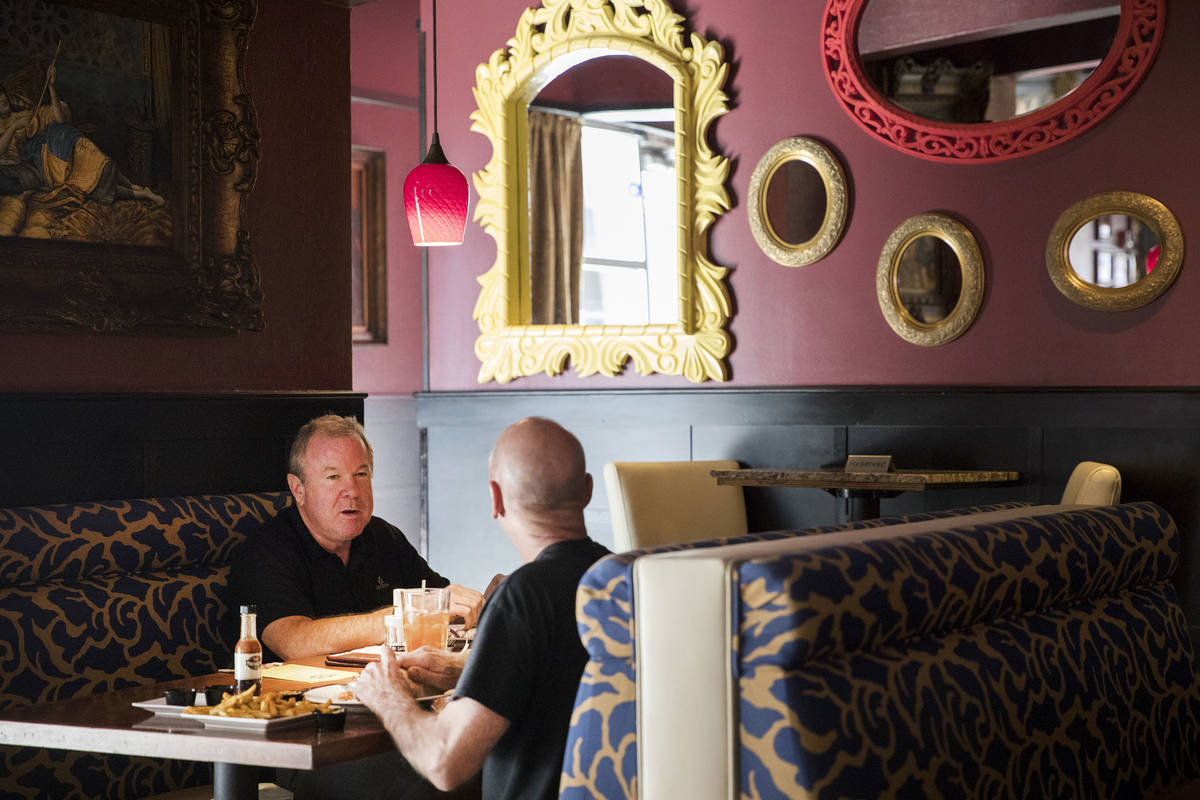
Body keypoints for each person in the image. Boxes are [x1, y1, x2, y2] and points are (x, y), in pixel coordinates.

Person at [355, 416, 611, 800]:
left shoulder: (523, 594)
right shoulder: (614, 575)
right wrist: (465, 671)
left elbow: (445, 762)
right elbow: (560, 680)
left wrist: (388, 696)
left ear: (496, 498)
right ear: (588, 490)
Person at [231, 414, 483, 663]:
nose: (352, 491)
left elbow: (439, 606)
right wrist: (403, 617)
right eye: (333, 477)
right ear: (298, 489)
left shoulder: (384, 537)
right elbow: (295, 642)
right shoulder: (265, 550)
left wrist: (483, 606)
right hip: (294, 698)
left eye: (361, 474)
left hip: (383, 688)